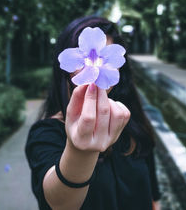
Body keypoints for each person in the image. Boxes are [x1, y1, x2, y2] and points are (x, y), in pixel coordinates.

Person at [25, 16, 161, 210]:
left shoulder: (131, 123)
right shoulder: (47, 133)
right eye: (85, 63)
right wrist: (79, 150)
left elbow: (152, 196)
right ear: (66, 72)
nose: (94, 71)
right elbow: (59, 203)